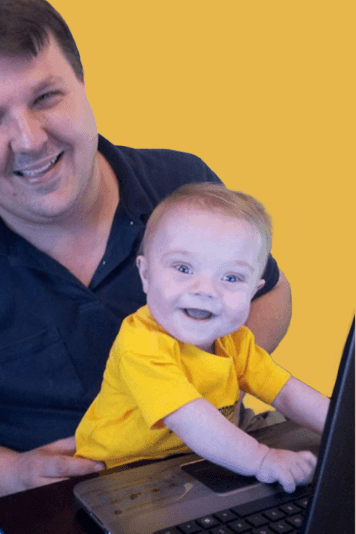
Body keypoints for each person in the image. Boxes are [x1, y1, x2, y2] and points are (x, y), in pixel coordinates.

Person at [0, 0, 292, 499]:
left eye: (45, 97)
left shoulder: (183, 185)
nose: (29, 139)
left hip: (219, 474)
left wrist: (205, 391)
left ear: (83, 83)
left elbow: (271, 293)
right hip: (45, 511)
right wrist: (6, 474)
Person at [74, 183, 327, 492]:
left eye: (231, 278)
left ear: (254, 291)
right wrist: (263, 459)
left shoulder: (236, 342)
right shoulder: (141, 345)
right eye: (183, 268)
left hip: (202, 455)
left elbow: (287, 393)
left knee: (306, 450)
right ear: (145, 274)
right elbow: (190, 419)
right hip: (124, 472)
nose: (205, 290)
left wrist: (343, 428)